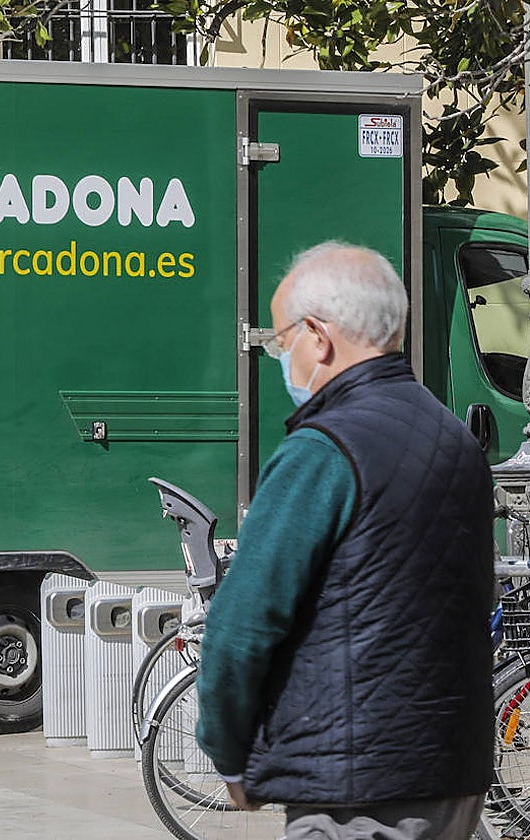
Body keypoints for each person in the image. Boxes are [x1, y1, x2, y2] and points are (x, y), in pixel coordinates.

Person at [195, 243, 493, 838]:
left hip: (353, 786)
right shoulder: (454, 440)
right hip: (453, 771)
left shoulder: (323, 450)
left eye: (283, 342)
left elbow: (242, 626)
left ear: (318, 335)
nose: (284, 356)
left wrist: (228, 753)